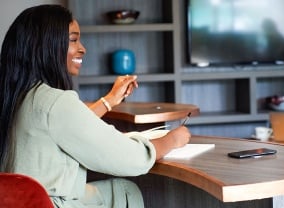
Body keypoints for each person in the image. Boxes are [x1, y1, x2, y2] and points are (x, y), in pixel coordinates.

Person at [0, 4, 191, 208]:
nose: (83, 48)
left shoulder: (20, 97)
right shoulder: (56, 101)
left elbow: (65, 126)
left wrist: (109, 100)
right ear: (45, 46)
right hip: (52, 204)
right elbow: (129, 158)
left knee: (123, 190)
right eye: (73, 40)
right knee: (126, 190)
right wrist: (172, 140)